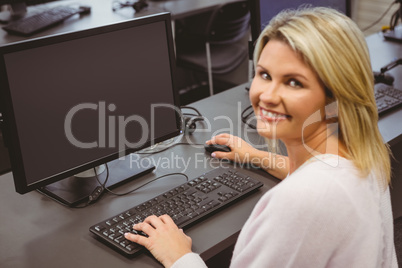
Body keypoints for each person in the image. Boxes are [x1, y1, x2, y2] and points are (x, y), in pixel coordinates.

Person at [125, 7, 398, 267]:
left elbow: (314, 194)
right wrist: (257, 157)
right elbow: (323, 176)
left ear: (337, 96)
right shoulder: (365, 154)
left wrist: (179, 256)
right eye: (264, 74)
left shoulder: (300, 200)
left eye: (294, 82)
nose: (267, 96)